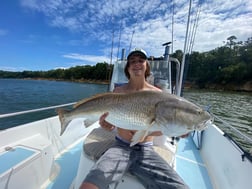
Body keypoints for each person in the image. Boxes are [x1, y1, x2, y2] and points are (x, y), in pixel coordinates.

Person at [80, 48, 189, 189]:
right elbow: (112, 122)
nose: (136, 63)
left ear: (146, 65)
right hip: (120, 146)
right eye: (132, 61)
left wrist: (177, 130)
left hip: (146, 150)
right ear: (127, 68)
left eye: (140, 60)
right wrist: (107, 125)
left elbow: (160, 128)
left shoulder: (158, 94)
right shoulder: (118, 92)